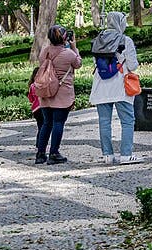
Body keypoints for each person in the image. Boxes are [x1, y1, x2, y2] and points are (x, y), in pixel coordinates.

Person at [89, 12, 142, 165]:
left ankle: (107, 155)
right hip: (121, 86)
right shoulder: (125, 40)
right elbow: (132, 66)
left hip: (101, 87)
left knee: (104, 121)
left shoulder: (98, 40)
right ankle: (126, 154)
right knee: (127, 121)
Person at [36, 25, 82, 165]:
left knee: (46, 123)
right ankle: (54, 153)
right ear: (64, 38)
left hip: (46, 92)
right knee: (58, 123)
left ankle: (40, 153)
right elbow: (78, 63)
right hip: (62, 95)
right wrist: (74, 47)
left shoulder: (45, 52)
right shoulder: (69, 54)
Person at [28, 67, 43, 138]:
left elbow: (30, 99)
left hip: (35, 110)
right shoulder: (43, 85)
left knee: (40, 126)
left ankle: (38, 142)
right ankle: (41, 143)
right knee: (45, 126)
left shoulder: (32, 86)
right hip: (43, 107)